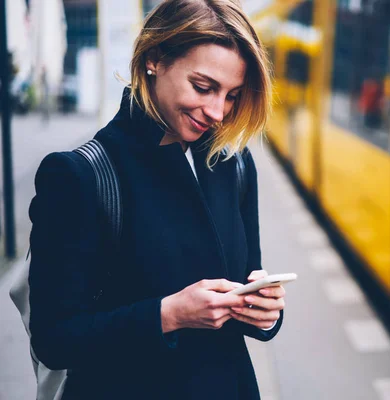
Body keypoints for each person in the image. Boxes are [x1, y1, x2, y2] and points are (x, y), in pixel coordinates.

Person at [27, 0, 285, 398]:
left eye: (232, 95)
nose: (218, 112)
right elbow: (54, 338)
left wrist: (264, 313)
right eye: (203, 87)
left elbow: (248, 277)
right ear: (154, 59)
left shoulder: (232, 164)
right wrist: (169, 315)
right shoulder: (81, 175)